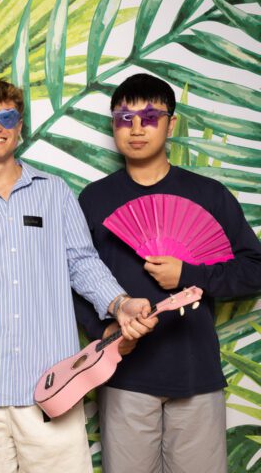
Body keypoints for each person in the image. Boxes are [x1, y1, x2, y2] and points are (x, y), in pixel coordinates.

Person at [0, 76, 157, 472]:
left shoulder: (55, 192)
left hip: (53, 385)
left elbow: (81, 261)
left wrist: (120, 303)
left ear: (20, 126)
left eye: (6, 117)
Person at [74, 73, 261, 473]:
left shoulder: (209, 194)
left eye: (150, 117)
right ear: (113, 125)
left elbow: (254, 270)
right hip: (125, 375)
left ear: (171, 124)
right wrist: (102, 330)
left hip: (196, 373)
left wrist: (190, 274)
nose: (136, 128)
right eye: (124, 118)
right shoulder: (94, 199)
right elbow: (73, 277)